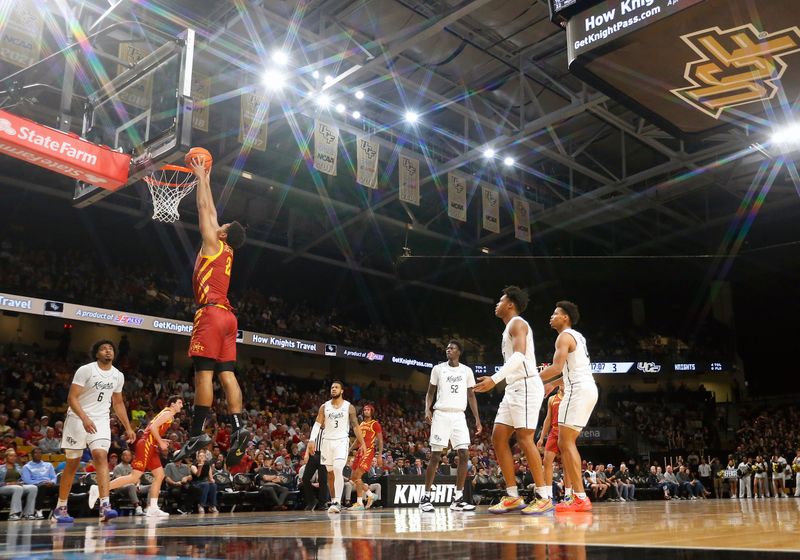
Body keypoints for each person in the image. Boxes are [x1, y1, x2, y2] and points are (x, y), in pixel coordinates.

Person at [173, 155, 249, 468]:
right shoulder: (227, 250)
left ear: (223, 234)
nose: (220, 223)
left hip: (211, 314)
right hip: (230, 318)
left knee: (203, 373)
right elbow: (214, 211)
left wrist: (200, 173)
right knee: (227, 374)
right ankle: (239, 427)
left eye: (224, 226)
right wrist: (205, 178)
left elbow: (205, 210)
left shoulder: (213, 244)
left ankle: (196, 431)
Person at [474, 286, 551, 515]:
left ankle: (543, 496)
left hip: (526, 385)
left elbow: (518, 356)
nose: (496, 304)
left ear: (510, 303)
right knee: (498, 438)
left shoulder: (517, 323)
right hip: (514, 388)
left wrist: (495, 379)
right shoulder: (508, 327)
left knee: (525, 438)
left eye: (500, 300)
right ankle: (513, 496)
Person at [53, 340, 136, 523]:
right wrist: (84, 418)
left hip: (100, 420)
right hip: (77, 418)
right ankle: (60, 507)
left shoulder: (118, 375)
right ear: (96, 354)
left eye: (111, 349)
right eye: (103, 349)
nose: (108, 351)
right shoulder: (86, 370)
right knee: (72, 464)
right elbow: (71, 398)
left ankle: (105, 506)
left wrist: (128, 427)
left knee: (100, 455)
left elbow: (118, 402)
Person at [538, 301, 598, 513]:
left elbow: (556, 366)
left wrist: (532, 379)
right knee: (565, 444)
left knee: (567, 442)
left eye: (555, 314)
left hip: (578, 391)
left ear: (565, 317)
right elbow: (568, 370)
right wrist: (553, 384)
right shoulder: (577, 336)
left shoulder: (564, 336)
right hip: (580, 389)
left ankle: (580, 498)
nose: (551, 317)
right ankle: (575, 496)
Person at [419, 340, 481, 513]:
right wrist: (427, 409)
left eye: (452, 348)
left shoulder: (467, 371)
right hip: (441, 414)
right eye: (447, 348)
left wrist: (477, 419)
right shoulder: (438, 369)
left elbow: (471, 396)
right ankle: (426, 497)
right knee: (436, 455)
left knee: (464, 453)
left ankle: (458, 498)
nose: (448, 350)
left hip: (459, 415)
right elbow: (430, 392)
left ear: (459, 352)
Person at [103, 396, 184, 517]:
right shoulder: (168, 413)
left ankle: (153, 507)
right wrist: (160, 442)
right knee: (134, 477)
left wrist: (160, 439)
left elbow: (151, 429)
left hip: (151, 445)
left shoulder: (168, 414)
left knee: (160, 475)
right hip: (146, 444)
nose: (181, 405)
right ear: (172, 404)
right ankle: (101, 489)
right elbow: (152, 427)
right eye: (179, 403)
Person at [306, 381, 366, 513]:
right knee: (330, 473)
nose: (333, 389)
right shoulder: (324, 406)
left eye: (336, 387)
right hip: (326, 442)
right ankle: (334, 500)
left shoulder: (348, 407)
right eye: (332, 387)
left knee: (338, 468)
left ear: (342, 391)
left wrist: (363, 443)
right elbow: (317, 424)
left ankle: (337, 502)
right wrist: (311, 440)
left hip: (341, 441)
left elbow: (355, 426)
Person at [537, 386, 572, 503]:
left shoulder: (571, 397)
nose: (563, 385)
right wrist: (542, 437)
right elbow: (548, 418)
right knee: (546, 461)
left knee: (567, 464)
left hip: (566, 431)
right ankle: (548, 495)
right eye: (561, 383)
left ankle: (568, 495)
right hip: (554, 431)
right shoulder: (552, 399)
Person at [348, 404, 383, 511]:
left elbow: (380, 441)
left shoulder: (375, 424)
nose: (366, 411)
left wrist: (380, 455)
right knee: (353, 478)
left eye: (368, 410)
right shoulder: (361, 424)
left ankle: (359, 503)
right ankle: (370, 495)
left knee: (358, 475)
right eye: (364, 410)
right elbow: (357, 440)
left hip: (368, 451)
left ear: (372, 412)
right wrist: (349, 450)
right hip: (359, 451)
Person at [0, 449, 38, 520]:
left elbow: (22, 479)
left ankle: (28, 513)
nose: (13, 457)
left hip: (17, 486)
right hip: (3, 487)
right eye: (11, 456)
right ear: (6, 457)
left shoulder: (18, 467)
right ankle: (13, 514)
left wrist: (21, 482)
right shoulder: (1, 468)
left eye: (15, 456)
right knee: (17, 488)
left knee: (33, 487)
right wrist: (8, 483)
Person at [301, 423, 328, 511]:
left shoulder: (330, 429)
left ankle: (322, 503)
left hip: (325, 455)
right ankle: (312, 500)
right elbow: (310, 442)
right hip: (313, 454)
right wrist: (306, 454)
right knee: (305, 478)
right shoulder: (315, 429)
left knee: (323, 480)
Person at [112, 450, 145, 516]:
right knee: (131, 486)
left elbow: (138, 479)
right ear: (122, 457)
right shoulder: (118, 467)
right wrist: (133, 483)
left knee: (151, 487)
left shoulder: (133, 467)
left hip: (134, 486)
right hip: (120, 488)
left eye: (129, 455)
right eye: (125, 455)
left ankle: (149, 507)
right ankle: (137, 507)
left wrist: (138, 485)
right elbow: (120, 481)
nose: (127, 457)